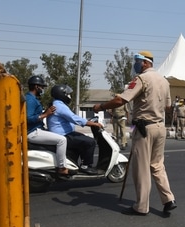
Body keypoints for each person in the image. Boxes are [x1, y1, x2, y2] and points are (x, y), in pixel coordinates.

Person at [93, 51, 176, 216]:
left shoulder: (141, 79)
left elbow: (121, 100)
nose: (136, 65)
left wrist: (101, 107)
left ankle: (141, 206)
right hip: (159, 127)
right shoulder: (164, 81)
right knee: (157, 165)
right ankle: (168, 199)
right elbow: (168, 106)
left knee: (141, 168)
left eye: (138, 62)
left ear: (145, 63)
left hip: (144, 128)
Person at [47, 84, 103, 175]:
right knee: (90, 142)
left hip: (65, 133)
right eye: (68, 94)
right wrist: (92, 124)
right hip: (62, 135)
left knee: (82, 139)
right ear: (62, 94)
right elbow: (74, 118)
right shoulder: (59, 106)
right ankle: (86, 166)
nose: (69, 96)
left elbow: (72, 118)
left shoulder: (57, 104)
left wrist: (87, 121)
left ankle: (74, 164)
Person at [25, 75, 69, 175]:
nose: (42, 89)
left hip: (37, 129)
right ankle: (62, 167)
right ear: (36, 87)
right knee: (62, 140)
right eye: (42, 87)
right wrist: (45, 114)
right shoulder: (30, 100)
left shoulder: (32, 98)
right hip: (32, 132)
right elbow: (27, 118)